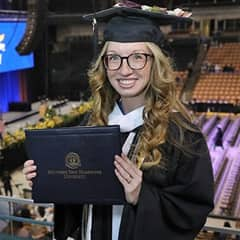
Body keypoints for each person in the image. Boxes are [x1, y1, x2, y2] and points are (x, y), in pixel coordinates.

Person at [23, 2, 214, 240]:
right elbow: (77, 198)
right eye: (114, 58)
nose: (124, 70)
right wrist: (48, 180)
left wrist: (140, 196)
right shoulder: (91, 125)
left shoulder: (183, 138)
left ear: (155, 63)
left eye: (137, 57)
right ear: (104, 65)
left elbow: (192, 211)